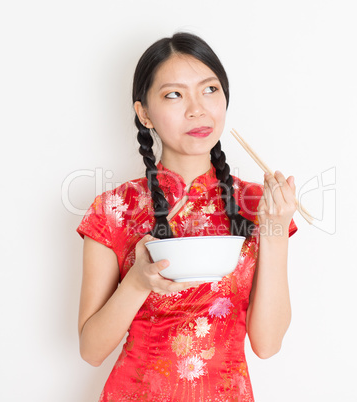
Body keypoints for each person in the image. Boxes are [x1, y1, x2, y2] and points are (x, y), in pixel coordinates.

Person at [76, 32, 298, 401]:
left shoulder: (258, 204)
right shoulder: (113, 208)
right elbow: (91, 350)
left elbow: (268, 343)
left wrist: (273, 231)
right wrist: (136, 283)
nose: (197, 109)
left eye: (210, 89)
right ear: (144, 113)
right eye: (174, 94)